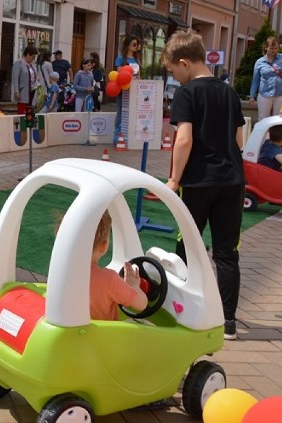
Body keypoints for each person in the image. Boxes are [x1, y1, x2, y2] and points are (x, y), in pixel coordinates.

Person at [162, 30, 245, 341]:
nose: (176, 78)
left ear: (184, 63)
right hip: (232, 180)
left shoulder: (188, 94)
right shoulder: (230, 93)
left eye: (174, 71)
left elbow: (184, 139)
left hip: (197, 181)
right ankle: (228, 323)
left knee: (187, 247)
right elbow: (238, 140)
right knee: (227, 253)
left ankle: (183, 310)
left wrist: (173, 180)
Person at [87, 211, 148, 321]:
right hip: (104, 336)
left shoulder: (62, 274)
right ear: (104, 246)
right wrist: (134, 286)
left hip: (72, 334)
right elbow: (142, 304)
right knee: (145, 323)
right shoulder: (109, 279)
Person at [113, 35, 142, 145]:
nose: (136, 46)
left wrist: (138, 79)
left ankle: (128, 135)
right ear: (128, 45)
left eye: (137, 45)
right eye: (134, 44)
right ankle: (117, 136)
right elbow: (120, 72)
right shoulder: (121, 58)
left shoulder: (137, 59)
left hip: (134, 90)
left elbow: (139, 74)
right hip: (123, 89)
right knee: (120, 111)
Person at [248, 37, 282, 121]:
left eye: (276, 48)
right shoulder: (260, 62)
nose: (274, 50)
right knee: (263, 119)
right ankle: (264, 134)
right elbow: (255, 80)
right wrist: (252, 95)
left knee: (278, 119)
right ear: (266, 47)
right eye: (271, 48)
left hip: (280, 94)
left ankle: (275, 134)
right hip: (265, 93)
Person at [11, 45, 39, 115]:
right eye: (33, 57)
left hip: (32, 90)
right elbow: (15, 78)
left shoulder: (32, 65)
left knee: (30, 111)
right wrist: (16, 91)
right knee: (22, 111)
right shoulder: (19, 63)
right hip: (23, 91)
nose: (33, 59)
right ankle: (22, 125)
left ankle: (28, 125)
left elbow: (35, 75)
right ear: (28, 55)